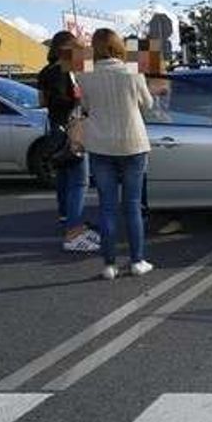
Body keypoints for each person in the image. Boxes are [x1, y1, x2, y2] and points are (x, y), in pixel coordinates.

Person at [78, 28, 154, 280]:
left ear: (95, 47)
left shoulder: (85, 74)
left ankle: (109, 265)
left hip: (100, 145)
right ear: (119, 46)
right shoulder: (133, 71)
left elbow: (86, 106)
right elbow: (147, 105)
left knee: (107, 207)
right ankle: (137, 261)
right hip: (133, 143)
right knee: (132, 206)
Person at [36, 31, 99, 253]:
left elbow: (42, 100)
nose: (81, 48)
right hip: (73, 129)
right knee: (79, 182)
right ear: (66, 47)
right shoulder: (65, 70)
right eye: (77, 45)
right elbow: (68, 99)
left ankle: (67, 219)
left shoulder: (45, 71)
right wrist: (78, 98)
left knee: (64, 176)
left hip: (56, 128)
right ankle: (75, 231)